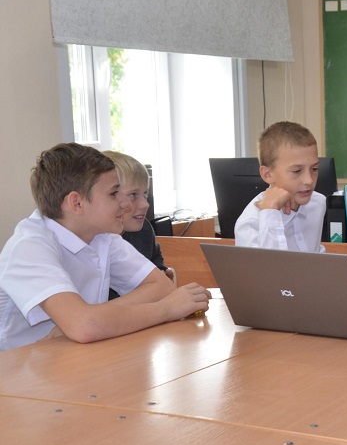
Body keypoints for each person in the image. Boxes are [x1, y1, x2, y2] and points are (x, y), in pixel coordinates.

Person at [0, 143, 210, 351]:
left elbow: (162, 287)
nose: (125, 204)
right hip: (18, 367)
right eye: (113, 193)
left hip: (71, 355)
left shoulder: (102, 236)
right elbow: (85, 327)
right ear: (77, 203)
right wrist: (166, 309)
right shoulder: (29, 246)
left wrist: (95, 317)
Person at [234, 121, 326, 252]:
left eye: (314, 169)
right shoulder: (250, 224)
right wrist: (270, 213)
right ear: (268, 174)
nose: (309, 180)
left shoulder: (317, 203)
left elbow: (315, 255)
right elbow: (269, 264)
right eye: (296, 171)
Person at [102, 150, 174, 300]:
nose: (145, 204)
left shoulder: (144, 230)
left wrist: (162, 273)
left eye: (145, 194)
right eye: (133, 195)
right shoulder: (95, 241)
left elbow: (156, 261)